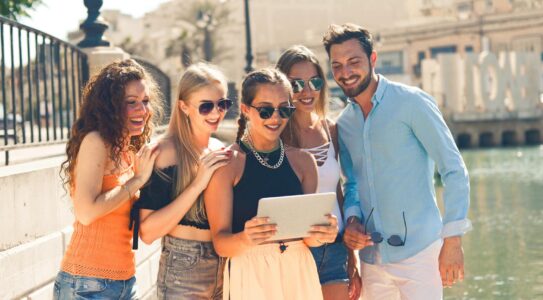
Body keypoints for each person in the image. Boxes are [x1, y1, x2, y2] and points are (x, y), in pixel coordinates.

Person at [322, 23, 472, 299]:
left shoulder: (412, 103)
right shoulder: (344, 124)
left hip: (421, 254)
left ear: (373, 59)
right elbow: (352, 183)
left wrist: (453, 239)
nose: (345, 73)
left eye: (353, 62)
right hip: (372, 261)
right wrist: (353, 219)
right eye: (337, 66)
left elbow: (453, 169)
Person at [203, 68, 339, 300]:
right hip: (251, 272)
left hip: (299, 270)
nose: (275, 118)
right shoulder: (227, 165)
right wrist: (246, 238)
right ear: (245, 110)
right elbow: (221, 243)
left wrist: (323, 234)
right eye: (265, 110)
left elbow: (308, 239)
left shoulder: (304, 162)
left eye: (284, 110)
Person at [54, 59, 163, 299]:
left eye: (145, 102)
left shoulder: (129, 149)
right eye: (131, 103)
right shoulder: (96, 142)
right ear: (110, 106)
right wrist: (136, 180)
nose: (142, 110)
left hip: (125, 281)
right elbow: (86, 212)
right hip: (86, 284)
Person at [133, 63, 233, 299]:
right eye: (206, 106)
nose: (216, 113)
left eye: (223, 104)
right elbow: (147, 232)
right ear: (184, 106)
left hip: (226, 266)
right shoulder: (163, 152)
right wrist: (198, 184)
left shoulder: (220, 149)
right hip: (184, 269)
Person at [276, 45, 361, 300]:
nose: (307, 91)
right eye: (296, 84)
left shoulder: (330, 129)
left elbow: (337, 193)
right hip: (294, 251)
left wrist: (351, 256)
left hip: (335, 248)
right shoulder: (276, 135)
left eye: (314, 82)